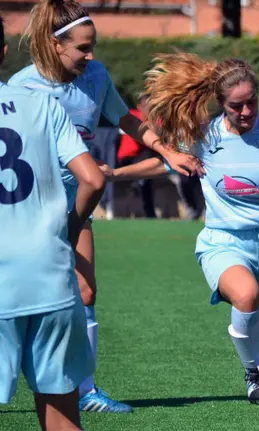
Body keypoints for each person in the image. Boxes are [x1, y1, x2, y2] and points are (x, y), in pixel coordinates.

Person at [101, 53, 259, 405]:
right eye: (235, 106)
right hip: (222, 240)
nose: (245, 112)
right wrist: (116, 175)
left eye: (251, 102)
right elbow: (165, 163)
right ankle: (253, 374)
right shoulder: (204, 135)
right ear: (220, 104)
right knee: (246, 295)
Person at [8, 0, 205, 413]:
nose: (91, 55)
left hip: (79, 202)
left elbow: (126, 120)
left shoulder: (95, 76)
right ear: (54, 44)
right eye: (82, 47)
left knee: (85, 290)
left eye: (92, 45)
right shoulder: (24, 88)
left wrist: (168, 152)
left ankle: (85, 390)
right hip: (35, 208)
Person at [0, 17, 106, 429]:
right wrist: (71, 225)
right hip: (49, 275)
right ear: (4, 50)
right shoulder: (42, 104)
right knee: (62, 417)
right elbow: (93, 178)